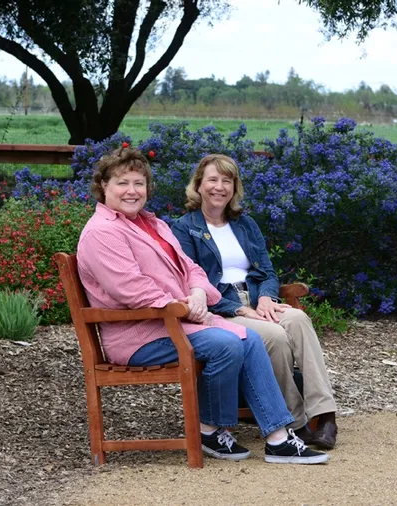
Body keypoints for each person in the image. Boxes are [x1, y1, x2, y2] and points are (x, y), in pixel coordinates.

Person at [76, 144, 329, 464]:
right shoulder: (102, 232)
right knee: (228, 342)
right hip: (138, 334)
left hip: (172, 321)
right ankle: (210, 428)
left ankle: (277, 438)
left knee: (247, 337)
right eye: (122, 183)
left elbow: (192, 269)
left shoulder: (152, 224)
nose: (132, 191)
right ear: (103, 187)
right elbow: (131, 289)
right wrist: (185, 307)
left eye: (138, 183)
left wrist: (197, 294)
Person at [171, 153, 338, 449]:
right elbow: (190, 280)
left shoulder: (245, 224)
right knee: (274, 336)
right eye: (212, 179)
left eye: (227, 181)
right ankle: (295, 423)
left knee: (298, 320)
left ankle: (325, 416)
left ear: (235, 188)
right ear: (198, 186)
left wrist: (266, 299)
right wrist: (237, 307)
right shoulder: (185, 228)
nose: (219, 187)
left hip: (256, 299)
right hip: (222, 308)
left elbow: (266, 271)